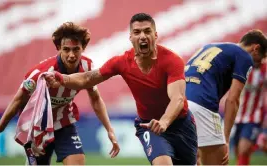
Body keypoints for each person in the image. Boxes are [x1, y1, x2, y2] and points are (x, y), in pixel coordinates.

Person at [45, 13, 197, 165]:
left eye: (147, 31)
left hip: (181, 125)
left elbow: (177, 98)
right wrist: (63, 78)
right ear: (130, 37)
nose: (142, 36)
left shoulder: (172, 60)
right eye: (137, 32)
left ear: (155, 35)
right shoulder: (121, 62)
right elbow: (87, 78)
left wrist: (164, 122)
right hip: (149, 126)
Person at [0, 22, 120, 165]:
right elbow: (18, 100)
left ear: (83, 48)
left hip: (64, 123)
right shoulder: (41, 73)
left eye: (76, 49)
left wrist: (109, 129)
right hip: (38, 127)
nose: (71, 55)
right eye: (66, 49)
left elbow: (95, 98)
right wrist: (0, 126)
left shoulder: (87, 67)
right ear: (59, 48)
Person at [184, 29, 267, 165]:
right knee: (220, 161)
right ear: (255, 48)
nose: (258, 63)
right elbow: (232, 99)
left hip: (180, 103)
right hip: (202, 105)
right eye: (260, 58)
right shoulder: (244, 56)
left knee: (196, 158)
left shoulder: (210, 46)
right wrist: (226, 139)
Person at [233, 59, 266, 165]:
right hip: (238, 117)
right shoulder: (241, 68)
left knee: (243, 149)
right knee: (238, 152)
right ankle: (259, 143)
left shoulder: (264, 70)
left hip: (254, 117)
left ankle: (258, 143)